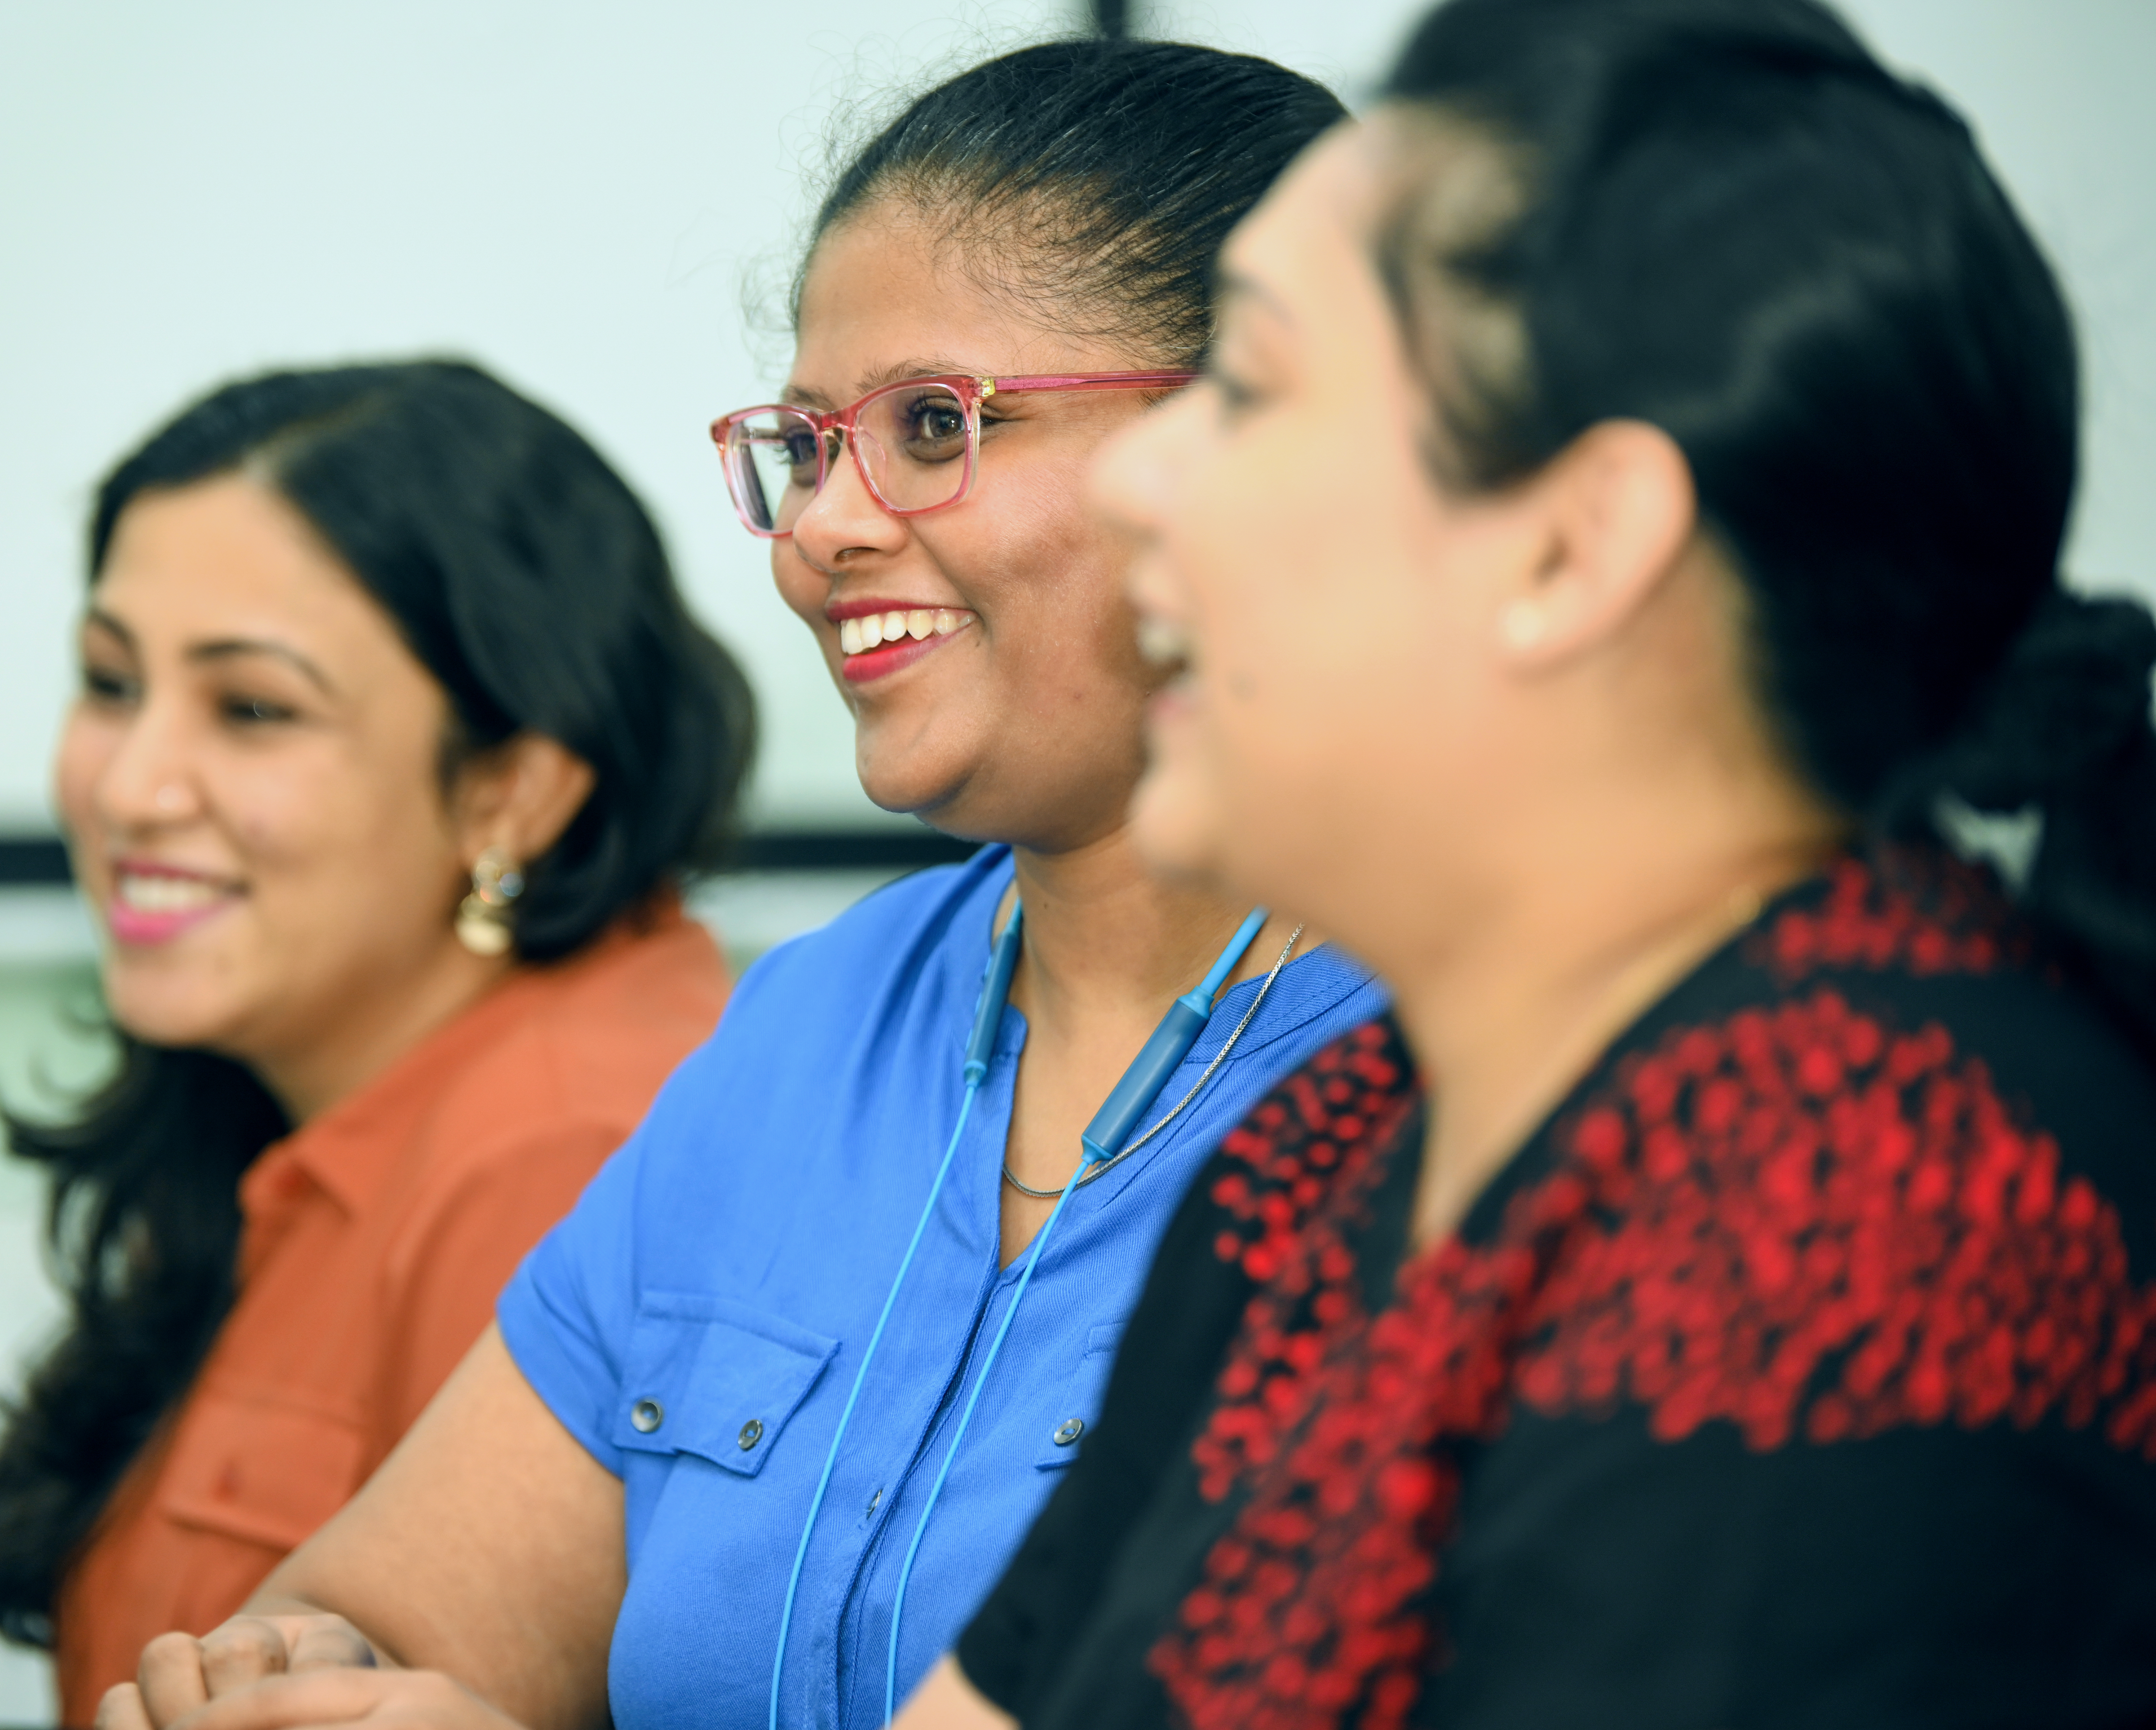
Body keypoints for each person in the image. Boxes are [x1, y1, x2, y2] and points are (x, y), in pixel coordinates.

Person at [95, 37, 1375, 1730]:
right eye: (811, 447)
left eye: (934, 426)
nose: (819, 530)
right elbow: (382, 1617)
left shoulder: (1490, 1058)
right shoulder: (812, 1032)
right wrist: (294, 1685)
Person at [923, 0, 2156, 1725]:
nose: (1139, 484)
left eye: (1249, 391)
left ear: (1575, 549)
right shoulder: (1322, 1163)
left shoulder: (1873, 1210)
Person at [0, 359, 754, 1728]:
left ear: (510, 792)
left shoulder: (567, 1150)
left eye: (252, 709)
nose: (131, 788)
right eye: (109, 684)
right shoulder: (279, 1084)